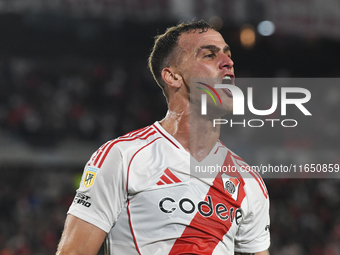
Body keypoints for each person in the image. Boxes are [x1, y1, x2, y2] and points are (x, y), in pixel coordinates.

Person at [56, 20, 270, 255]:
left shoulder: (249, 181)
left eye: (228, 56)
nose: (228, 63)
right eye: (209, 55)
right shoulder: (123, 157)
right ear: (173, 77)